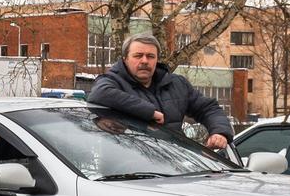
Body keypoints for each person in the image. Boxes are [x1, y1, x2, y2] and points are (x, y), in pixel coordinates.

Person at [86, 34, 233, 149]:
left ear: (157, 60)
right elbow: (100, 93)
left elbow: (208, 109)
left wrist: (219, 132)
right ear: (125, 59)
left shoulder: (177, 84)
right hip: (125, 172)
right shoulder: (112, 81)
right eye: (138, 56)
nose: (144, 61)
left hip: (175, 164)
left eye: (150, 56)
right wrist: (149, 112)